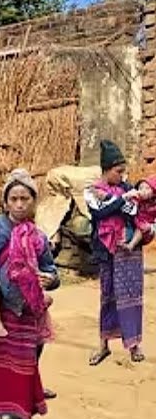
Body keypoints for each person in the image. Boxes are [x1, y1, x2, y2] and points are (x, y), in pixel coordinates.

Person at [0, 169, 58, 419]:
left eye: (24, 199)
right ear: (5, 201)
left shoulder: (37, 236)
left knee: (25, 358)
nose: (18, 204)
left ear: (33, 201)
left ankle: (20, 408)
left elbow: (50, 268)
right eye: (13, 199)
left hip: (28, 305)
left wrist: (50, 279)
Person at [85, 140, 146, 365]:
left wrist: (117, 201)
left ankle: (134, 345)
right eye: (118, 171)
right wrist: (120, 200)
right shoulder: (91, 191)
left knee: (131, 296)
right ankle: (103, 345)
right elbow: (99, 213)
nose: (122, 176)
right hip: (106, 252)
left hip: (128, 249)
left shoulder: (128, 188)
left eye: (123, 171)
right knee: (107, 296)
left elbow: (134, 212)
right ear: (106, 170)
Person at [122, 176, 156, 250]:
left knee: (140, 230)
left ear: (154, 192)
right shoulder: (137, 199)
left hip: (146, 227)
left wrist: (151, 227)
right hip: (135, 221)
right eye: (140, 188)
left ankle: (131, 245)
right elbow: (129, 205)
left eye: (147, 188)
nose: (143, 191)